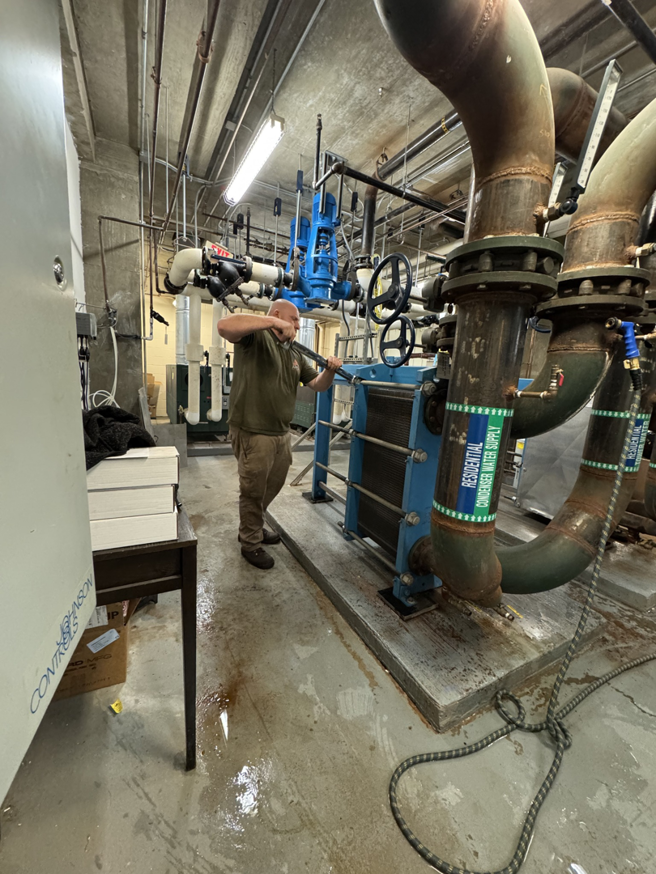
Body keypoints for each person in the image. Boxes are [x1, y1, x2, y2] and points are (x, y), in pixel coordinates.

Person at [217, 300, 343, 569]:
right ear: (276, 315)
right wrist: (273, 324)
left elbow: (317, 385)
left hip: (280, 432)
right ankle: (250, 542)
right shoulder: (255, 337)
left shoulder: (294, 352)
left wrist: (329, 371)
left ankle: (254, 525)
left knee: (270, 487)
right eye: (294, 319)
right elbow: (224, 326)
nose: (298, 325)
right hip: (253, 430)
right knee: (252, 490)